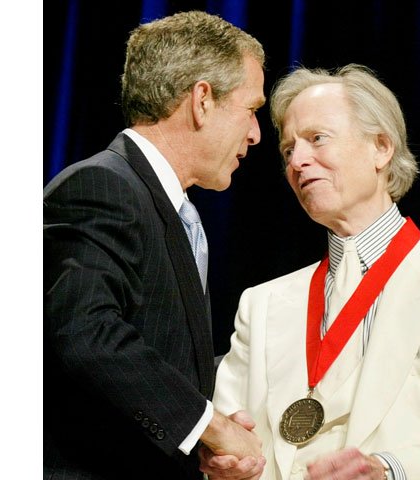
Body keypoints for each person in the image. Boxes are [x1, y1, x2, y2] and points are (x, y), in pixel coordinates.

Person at [200, 64, 420, 480]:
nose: (298, 161)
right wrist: (225, 465)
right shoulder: (261, 303)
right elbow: (230, 445)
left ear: (381, 148)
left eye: (317, 139)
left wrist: (387, 470)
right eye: (287, 150)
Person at [44, 11, 268, 480]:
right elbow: (86, 334)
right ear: (202, 100)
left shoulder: (168, 207)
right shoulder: (100, 186)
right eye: (251, 109)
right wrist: (208, 426)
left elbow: (161, 358)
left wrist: (205, 433)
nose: (255, 134)